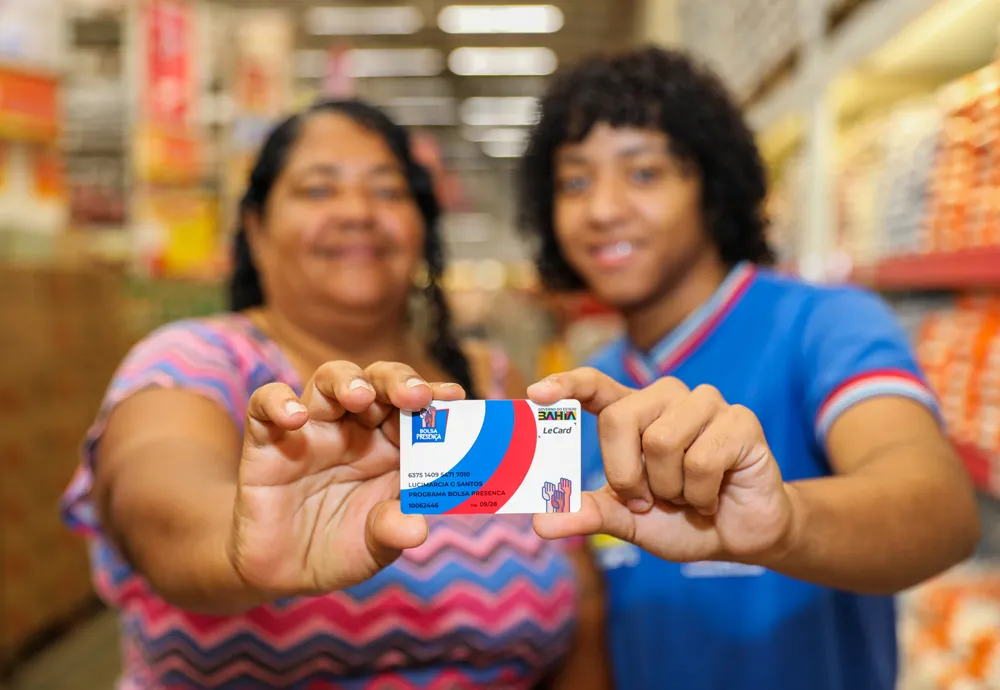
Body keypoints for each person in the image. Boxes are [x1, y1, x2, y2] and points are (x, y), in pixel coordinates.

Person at [60, 100, 607, 689]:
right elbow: (155, 503)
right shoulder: (198, 361)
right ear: (256, 229)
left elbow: (582, 600)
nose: (357, 212)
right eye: (319, 190)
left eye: (388, 191)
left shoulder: (490, 383)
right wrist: (245, 537)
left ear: (422, 226)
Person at [516, 46, 981, 690]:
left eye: (644, 173)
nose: (602, 208)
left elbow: (943, 512)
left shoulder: (824, 325)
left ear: (712, 185)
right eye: (574, 181)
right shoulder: (584, 390)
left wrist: (785, 521)